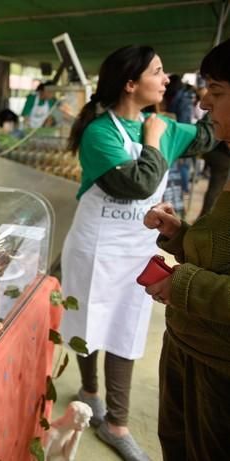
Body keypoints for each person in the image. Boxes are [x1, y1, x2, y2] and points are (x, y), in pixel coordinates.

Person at [59, 45, 214, 461]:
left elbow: (209, 135)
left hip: (138, 248)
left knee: (126, 327)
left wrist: (208, 100)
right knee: (86, 319)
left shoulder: (162, 125)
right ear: (131, 84)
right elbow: (140, 185)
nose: (167, 80)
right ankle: (89, 390)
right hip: (97, 246)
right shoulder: (100, 133)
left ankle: (117, 423)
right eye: (159, 72)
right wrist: (152, 140)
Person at [143, 38, 230, 461]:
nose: (203, 101)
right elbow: (223, 250)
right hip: (192, 349)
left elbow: (142, 180)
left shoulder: (163, 128)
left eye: (216, 91)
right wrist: (181, 235)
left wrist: (182, 283)